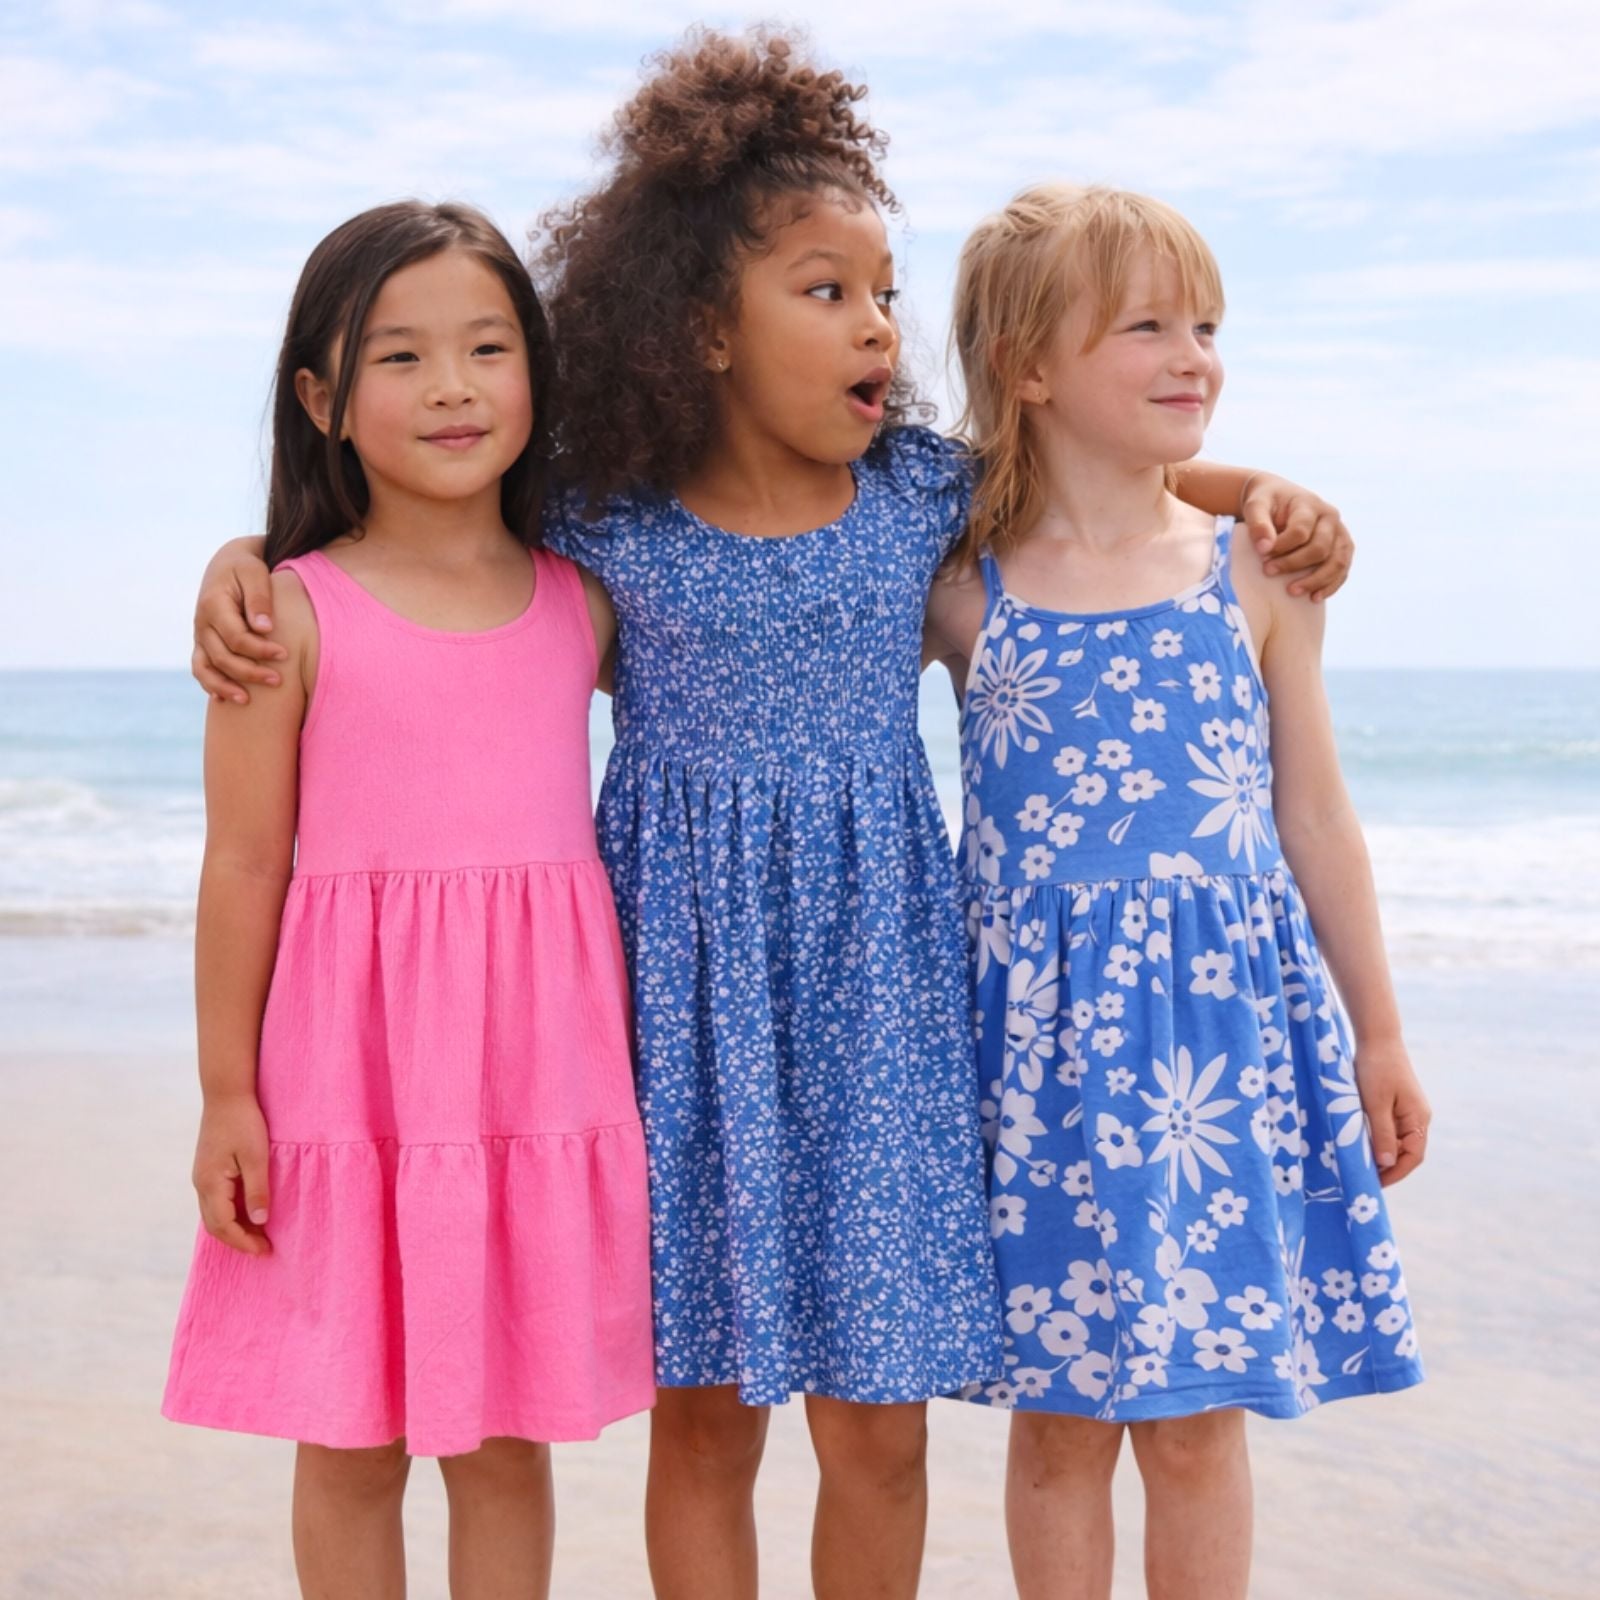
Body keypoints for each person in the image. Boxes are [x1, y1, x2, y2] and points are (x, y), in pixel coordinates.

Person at [187, 32, 1353, 1600]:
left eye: (883, 292)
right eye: (826, 292)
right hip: (671, 1008)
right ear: (700, 331)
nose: (878, 325)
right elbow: (420, 548)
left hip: (886, 1004)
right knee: (709, 1423)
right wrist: (243, 559)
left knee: (878, 1427)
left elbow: (1102, 475)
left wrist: (1266, 490)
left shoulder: (929, 497)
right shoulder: (599, 524)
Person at [924, 182, 1428, 1600]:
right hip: (1039, 1061)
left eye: (1205, 323)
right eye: (1146, 326)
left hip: (1225, 1046)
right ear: (1028, 368)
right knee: (1059, 1430)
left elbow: (1314, 812)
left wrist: (1378, 1029)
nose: (1193, 354)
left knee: (1205, 1425)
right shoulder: (962, 584)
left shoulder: (1257, 571)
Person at [162, 200, 654, 1600]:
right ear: (320, 396)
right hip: (350, 1087)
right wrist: (225, 1096)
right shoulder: (288, 612)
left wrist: (1223, 496)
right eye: (399, 357)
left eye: (489, 348)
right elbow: (245, 863)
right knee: (353, 1439)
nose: (452, 387)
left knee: (505, 1437)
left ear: (537, 378)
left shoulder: (589, 600)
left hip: (530, 1083)